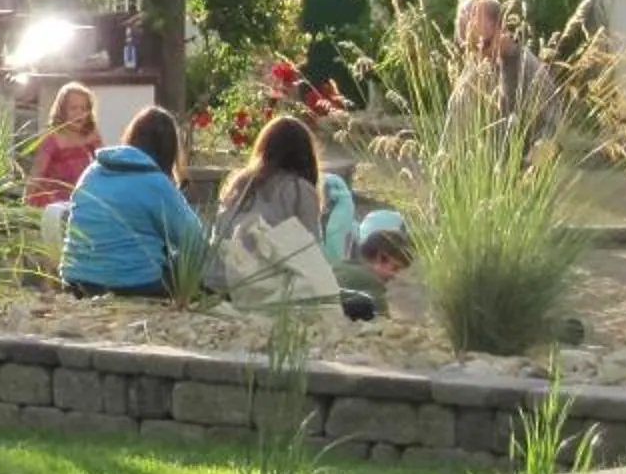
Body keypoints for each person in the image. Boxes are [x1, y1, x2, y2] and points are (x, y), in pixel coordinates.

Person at [59, 103, 202, 296]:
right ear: (169, 149)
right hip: (132, 285)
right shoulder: (155, 182)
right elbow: (194, 239)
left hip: (75, 281)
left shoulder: (92, 171)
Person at [206, 113, 334, 300]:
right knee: (363, 303)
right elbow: (312, 256)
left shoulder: (239, 183)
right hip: (264, 291)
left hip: (217, 282)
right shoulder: (300, 190)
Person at [28, 82, 103, 269]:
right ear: (62, 111)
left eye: (84, 108)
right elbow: (37, 174)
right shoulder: (53, 139)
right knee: (54, 252)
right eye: (73, 108)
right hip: (53, 202)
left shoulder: (90, 137)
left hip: (77, 200)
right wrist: (27, 206)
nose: (79, 113)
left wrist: (96, 143)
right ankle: (49, 287)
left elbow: (102, 166)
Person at [456, 0, 555, 127]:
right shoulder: (479, 62)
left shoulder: (523, 67)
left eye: (485, 44)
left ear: (500, 29)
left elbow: (516, 125)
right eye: (471, 46)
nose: (480, 54)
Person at [331, 212, 413, 320]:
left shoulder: (341, 266)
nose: (394, 276)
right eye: (395, 268)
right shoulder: (371, 282)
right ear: (380, 258)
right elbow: (383, 325)